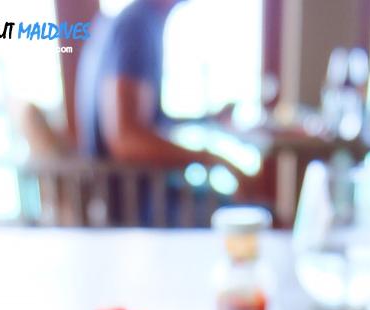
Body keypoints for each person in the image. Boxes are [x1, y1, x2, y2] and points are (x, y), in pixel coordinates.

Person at [75, 0, 244, 182]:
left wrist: (206, 120)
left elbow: (149, 123)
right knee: (241, 196)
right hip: (131, 193)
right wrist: (210, 159)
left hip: (135, 188)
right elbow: (125, 139)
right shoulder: (137, 24)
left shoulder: (139, 20)